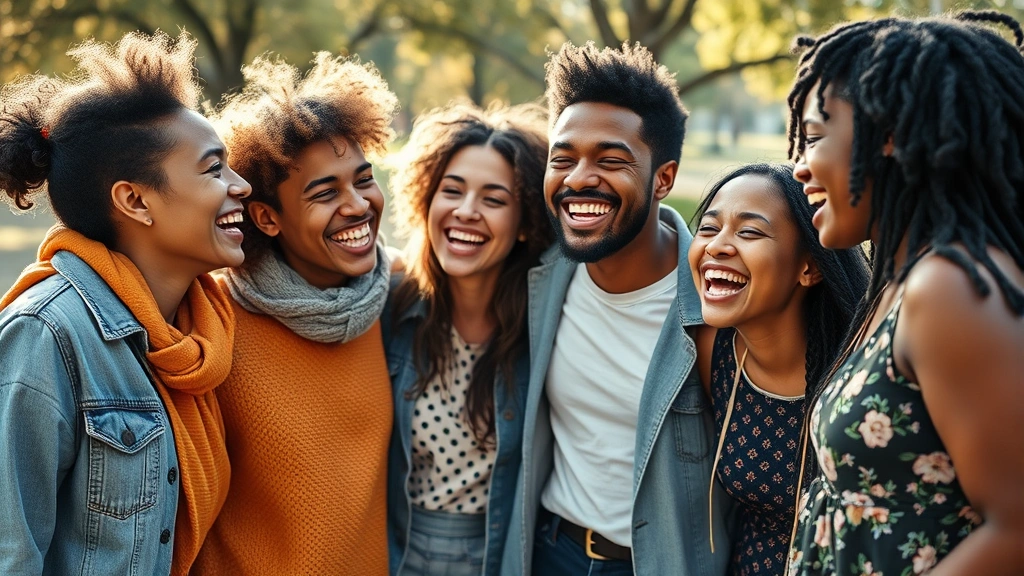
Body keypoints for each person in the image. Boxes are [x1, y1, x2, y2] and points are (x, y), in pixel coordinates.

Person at [0, 32, 250, 575]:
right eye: (214, 170)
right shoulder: (46, 335)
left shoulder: (200, 332)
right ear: (135, 200)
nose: (242, 186)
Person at [786, 11, 1024, 576]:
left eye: (816, 136)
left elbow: (1017, 527)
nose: (798, 166)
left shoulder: (948, 287)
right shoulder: (899, 280)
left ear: (888, 135)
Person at [501, 41, 729, 576]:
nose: (579, 178)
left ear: (664, 179)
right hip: (550, 550)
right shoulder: (540, 272)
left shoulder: (716, 302)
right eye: (564, 159)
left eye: (610, 160)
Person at [191, 53, 399, 575]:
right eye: (325, 193)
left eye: (363, 179)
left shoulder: (390, 298)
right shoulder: (214, 315)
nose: (357, 205)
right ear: (266, 216)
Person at [383, 102, 554, 576]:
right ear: (426, 200)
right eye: (451, 191)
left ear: (525, 225)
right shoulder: (389, 310)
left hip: (500, 558)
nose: (466, 212)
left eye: (494, 200)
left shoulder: (545, 328)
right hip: (395, 554)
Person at [688, 163, 868, 576]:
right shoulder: (711, 352)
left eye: (749, 232)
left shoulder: (863, 372)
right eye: (709, 228)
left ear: (811, 267)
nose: (717, 246)